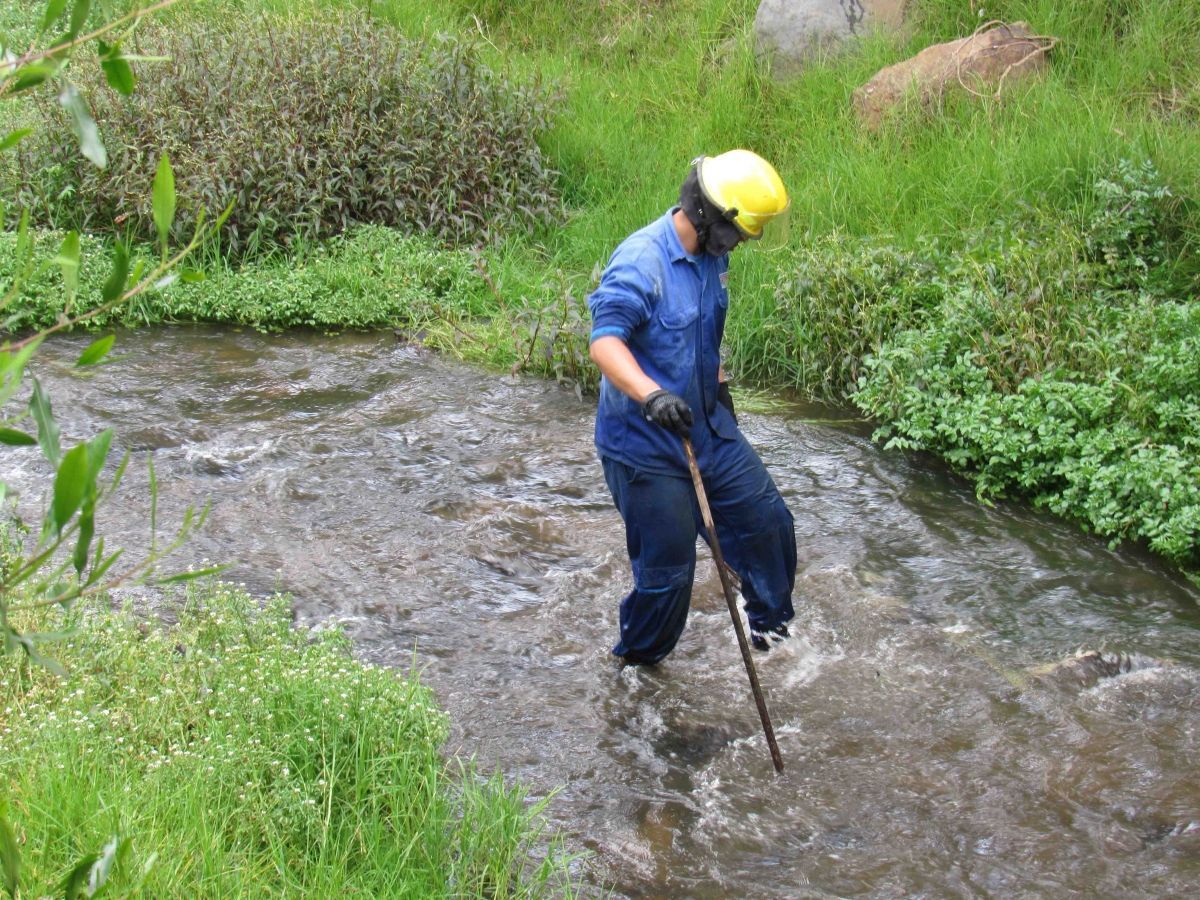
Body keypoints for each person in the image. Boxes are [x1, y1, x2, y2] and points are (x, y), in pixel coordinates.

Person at [587, 149, 798, 666]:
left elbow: (699, 333)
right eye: (746, 230)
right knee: (669, 579)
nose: (751, 241)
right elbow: (605, 342)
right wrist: (652, 394)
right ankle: (636, 672)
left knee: (770, 526)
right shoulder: (643, 260)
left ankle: (771, 642)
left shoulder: (712, 256)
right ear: (712, 217)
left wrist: (716, 382)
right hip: (645, 447)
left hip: (708, 429)